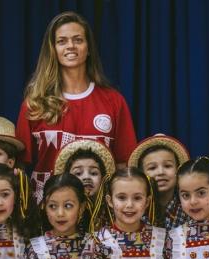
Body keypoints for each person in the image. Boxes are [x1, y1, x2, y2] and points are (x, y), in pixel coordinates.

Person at [16, 11, 137, 202]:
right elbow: (19, 166)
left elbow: (124, 164)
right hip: (48, 209)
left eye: (78, 39)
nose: (71, 46)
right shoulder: (35, 103)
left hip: (99, 210)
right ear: (53, 49)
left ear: (88, 48)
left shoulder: (113, 100)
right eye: (62, 41)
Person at [128, 134, 190, 231]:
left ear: (178, 170)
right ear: (142, 175)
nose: (161, 172)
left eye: (167, 166)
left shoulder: (189, 207)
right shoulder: (133, 210)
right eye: (152, 168)